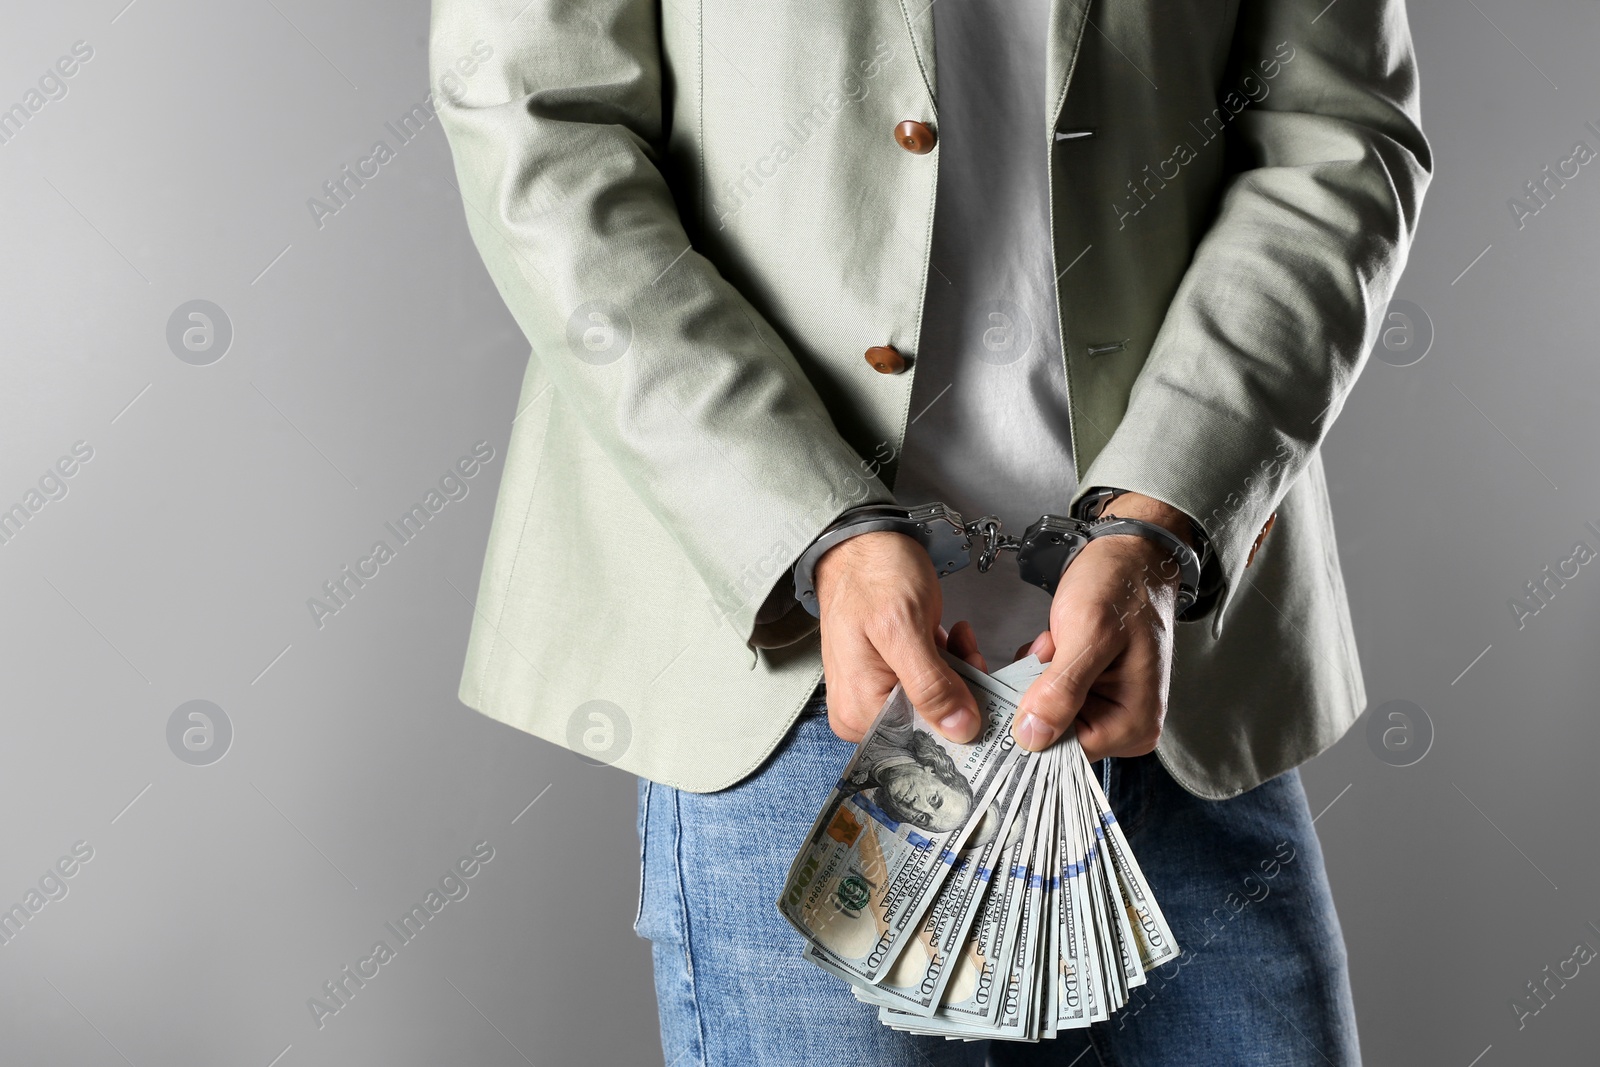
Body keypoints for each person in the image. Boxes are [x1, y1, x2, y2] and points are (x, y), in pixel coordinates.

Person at [431, 0, 1431, 1061]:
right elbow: (535, 119)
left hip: (1167, 649)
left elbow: (1339, 138)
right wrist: (811, 520)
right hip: (795, 661)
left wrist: (1164, 513)